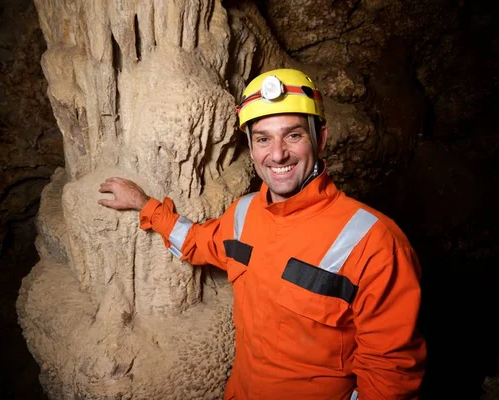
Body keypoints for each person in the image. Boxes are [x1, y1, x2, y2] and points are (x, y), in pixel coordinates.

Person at [98, 68, 426, 400]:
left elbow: (390, 376)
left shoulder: (373, 240)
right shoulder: (243, 212)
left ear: (321, 139)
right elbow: (198, 242)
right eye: (263, 138)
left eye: (294, 135)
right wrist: (145, 205)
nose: (278, 153)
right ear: (252, 148)